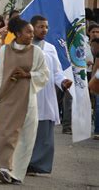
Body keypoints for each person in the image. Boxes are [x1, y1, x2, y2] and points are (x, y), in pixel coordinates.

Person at [0, 16, 49, 184]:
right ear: (18, 33)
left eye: (32, 32)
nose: (31, 35)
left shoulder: (37, 52)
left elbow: (44, 75)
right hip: (7, 99)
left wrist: (28, 75)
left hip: (28, 100)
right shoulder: (5, 50)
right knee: (4, 133)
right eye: (28, 32)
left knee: (26, 137)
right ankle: (2, 168)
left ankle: (16, 173)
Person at [27, 15, 72, 175]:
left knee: (43, 132)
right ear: (32, 28)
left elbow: (56, 72)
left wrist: (63, 82)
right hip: (28, 92)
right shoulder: (23, 46)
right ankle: (23, 162)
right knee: (27, 130)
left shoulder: (51, 48)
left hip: (45, 95)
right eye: (40, 26)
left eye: (46, 27)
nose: (44, 30)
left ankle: (38, 164)